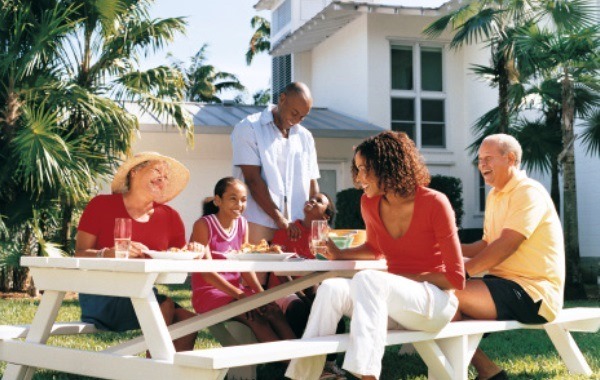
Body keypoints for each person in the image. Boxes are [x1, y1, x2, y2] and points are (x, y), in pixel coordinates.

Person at [286, 131, 466, 380]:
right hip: (391, 303)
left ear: (387, 166)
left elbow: (457, 278)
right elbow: (375, 248)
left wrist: (400, 278)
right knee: (331, 288)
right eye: (356, 170)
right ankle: (303, 377)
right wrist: (340, 254)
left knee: (370, 279)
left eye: (363, 169)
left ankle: (366, 376)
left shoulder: (435, 203)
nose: (358, 179)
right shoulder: (369, 203)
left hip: (435, 304)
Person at [456, 134, 565, 380]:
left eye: (489, 158)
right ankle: (487, 372)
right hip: (502, 284)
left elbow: (507, 244)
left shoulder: (528, 192)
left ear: (511, 159)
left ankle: (477, 371)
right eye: (480, 159)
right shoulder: (495, 195)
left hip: (533, 292)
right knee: (437, 298)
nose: (482, 164)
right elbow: (486, 244)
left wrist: (463, 271)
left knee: (446, 293)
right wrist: (444, 248)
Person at [75, 152, 197, 352]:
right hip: (101, 294)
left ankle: (167, 375)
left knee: (188, 321)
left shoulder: (170, 217)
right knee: (164, 306)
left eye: (166, 177)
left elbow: (177, 255)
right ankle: (152, 371)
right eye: (157, 170)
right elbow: (79, 253)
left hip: (143, 292)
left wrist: (192, 250)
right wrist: (107, 253)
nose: (162, 178)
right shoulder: (101, 205)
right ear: (134, 172)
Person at [189, 177, 297, 343]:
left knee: (272, 310)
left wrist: (261, 294)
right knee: (255, 317)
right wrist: (240, 296)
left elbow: (245, 265)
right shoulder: (203, 225)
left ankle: (298, 360)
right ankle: (289, 364)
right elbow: (207, 273)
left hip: (236, 291)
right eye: (233, 199)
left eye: (243, 200)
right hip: (209, 292)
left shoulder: (242, 224)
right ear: (218, 200)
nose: (239, 205)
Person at [231, 81, 320, 246]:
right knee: (256, 271)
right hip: (257, 222)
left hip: (297, 225)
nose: (297, 121)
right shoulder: (248, 128)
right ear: (282, 98)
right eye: (294, 113)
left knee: (297, 272)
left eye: (302, 117)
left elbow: (312, 183)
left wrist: (315, 222)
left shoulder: (305, 137)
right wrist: (279, 219)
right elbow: (253, 180)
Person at [271, 193, 347, 380]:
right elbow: (276, 267)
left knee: (334, 312)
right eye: (311, 198)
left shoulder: (327, 237)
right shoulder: (289, 230)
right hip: (283, 287)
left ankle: (329, 363)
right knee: (300, 309)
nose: (312, 201)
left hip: (311, 287)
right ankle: (308, 366)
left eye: (319, 201)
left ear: (326, 216)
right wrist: (300, 293)